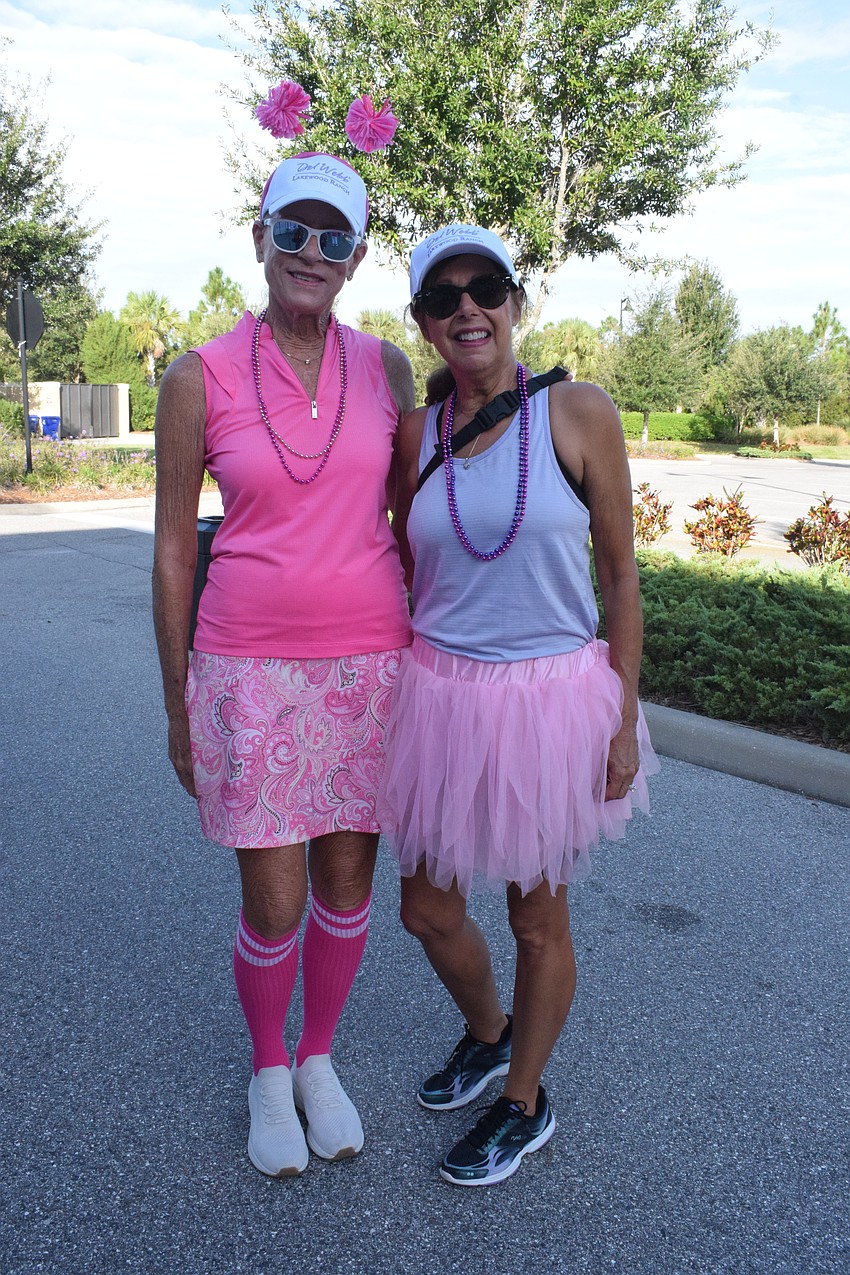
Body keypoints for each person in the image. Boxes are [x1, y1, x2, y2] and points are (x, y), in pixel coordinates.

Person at [379, 224, 659, 1187]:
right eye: (443, 297)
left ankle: (525, 1102)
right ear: (424, 322)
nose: (467, 308)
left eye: (486, 288)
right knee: (426, 909)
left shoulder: (579, 411)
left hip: (549, 703)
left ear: (515, 303)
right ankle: (491, 1033)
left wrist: (621, 718)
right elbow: (404, 563)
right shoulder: (415, 434)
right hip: (439, 699)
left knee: (536, 919)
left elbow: (620, 577)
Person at [152, 152, 415, 1178]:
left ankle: (317, 1058)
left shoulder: (386, 369)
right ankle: (268, 1070)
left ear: (356, 256)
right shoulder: (197, 376)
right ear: (260, 238)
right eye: (293, 231)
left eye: (333, 236)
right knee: (274, 900)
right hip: (247, 674)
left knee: (346, 884)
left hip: (372, 670)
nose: (312, 252)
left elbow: (416, 526)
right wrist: (178, 701)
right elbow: (174, 550)